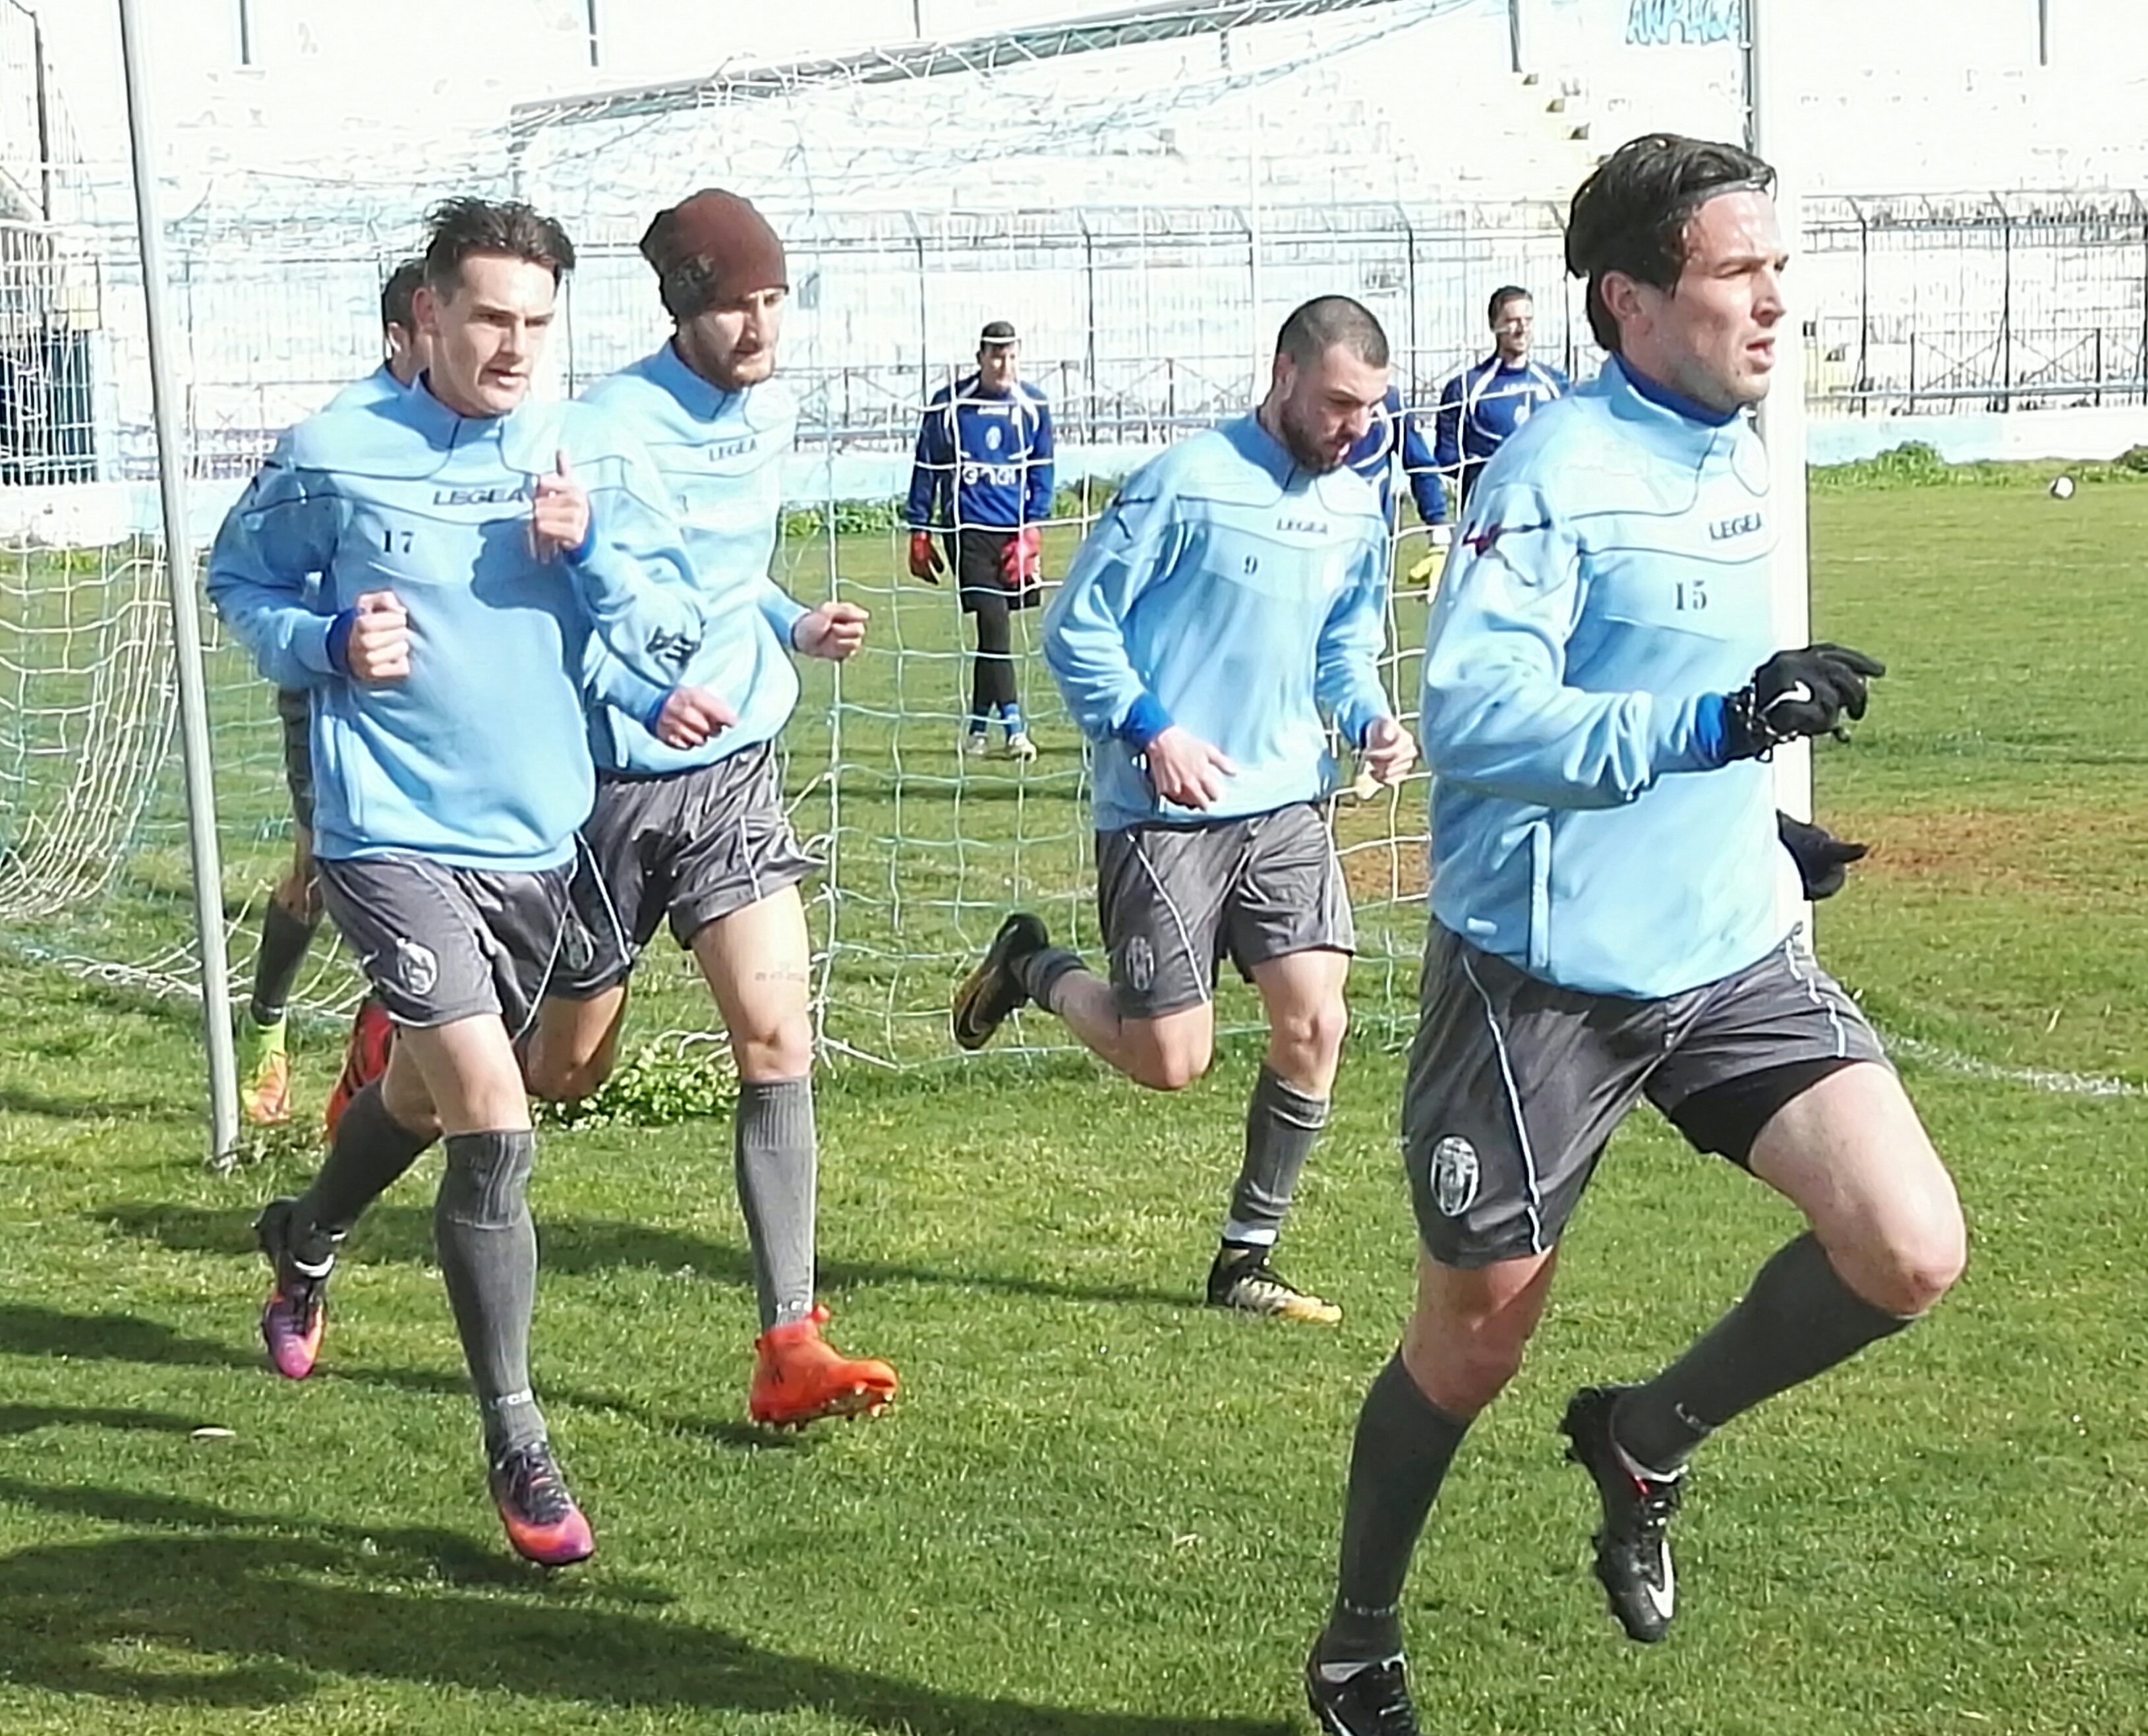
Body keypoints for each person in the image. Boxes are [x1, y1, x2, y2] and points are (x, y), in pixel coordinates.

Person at [1303, 135, 1965, 1736]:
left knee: (1907, 1246)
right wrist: (1714, 728)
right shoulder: (1549, 477)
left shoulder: (1739, 444)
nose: (1774, 304)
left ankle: (1645, 1437)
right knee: (1472, 1347)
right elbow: (1478, 717)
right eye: (1740, 274)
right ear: (1631, 299)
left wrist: (1749, 819)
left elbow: (1679, 698)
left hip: (1727, 949)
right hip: (1543, 984)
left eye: (1777, 270)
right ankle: (1355, 1644)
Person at [208, 196, 722, 1568]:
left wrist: (594, 554)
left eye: (536, 323)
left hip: (537, 842)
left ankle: (305, 1235)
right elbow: (239, 579)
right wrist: (327, 640)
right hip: (385, 835)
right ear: (426, 315)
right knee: (495, 1119)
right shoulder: (334, 452)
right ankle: (519, 1439)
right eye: (489, 316)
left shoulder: (578, 453)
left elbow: (671, 625)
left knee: (429, 1099)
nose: (512, 346)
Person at [947, 295, 1416, 1324]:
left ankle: (1245, 1256)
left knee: (1316, 1018)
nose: (1354, 427)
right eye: (1338, 403)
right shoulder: (1184, 483)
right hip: (1161, 809)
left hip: (1285, 800)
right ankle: (1031, 966)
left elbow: (1342, 647)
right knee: (1170, 1060)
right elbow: (1077, 626)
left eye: (1370, 409)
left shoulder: (1356, 505)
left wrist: (1370, 719)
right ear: (1283, 374)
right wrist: (1152, 730)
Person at [522, 188, 898, 1430]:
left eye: (773, 299)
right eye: (735, 304)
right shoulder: (598, 432)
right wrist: (640, 687)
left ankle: (789, 1339)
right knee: (566, 1071)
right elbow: (569, 601)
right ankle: (404, 1060)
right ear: (682, 309)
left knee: (778, 1037)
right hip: (610, 789)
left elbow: (724, 577)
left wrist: (789, 622)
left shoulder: (773, 411)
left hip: (732, 772)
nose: (759, 325)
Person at [236, 256, 427, 1126]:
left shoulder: (490, 431)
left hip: (439, 699)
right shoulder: (335, 441)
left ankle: (380, 1048)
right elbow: (260, 573)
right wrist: (335, 638)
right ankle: (266, 1022)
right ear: (400, 335)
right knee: (319, 871)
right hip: (334, 687)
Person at [904, 320, 1055, 761]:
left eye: (1011, 356)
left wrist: (1031, 531)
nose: (1004, 365)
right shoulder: (950, 405)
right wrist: (919, 528)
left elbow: (1043, 471)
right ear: (980, 358)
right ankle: (1015, 731)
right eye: (996, 356)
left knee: (994, 633)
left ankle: (976, 730)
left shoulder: (1034, 405)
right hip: (967, 532)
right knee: (995, 623)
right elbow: (926, 466)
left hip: (1013, 537)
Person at [1432, 284, 1568, 512]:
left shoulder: (1557, 383)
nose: (1522, 329)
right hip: (1489, 510)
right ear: (1494, 325)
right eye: (1512, 321)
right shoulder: (1466, 388)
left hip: (1545, 507)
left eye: (1528, 320)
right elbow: (1448, 458)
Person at [1347, 382, 1448, 548]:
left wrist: (1437, 520)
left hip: (1374, 536)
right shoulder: (1306, 399)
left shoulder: (1390, 403)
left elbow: (1420, 464)